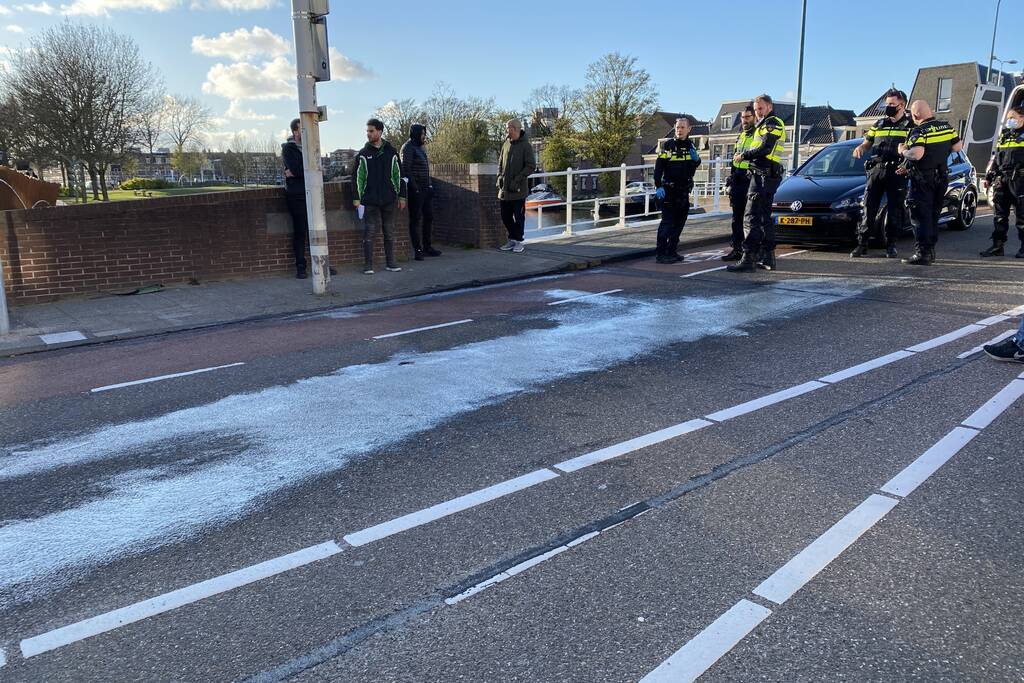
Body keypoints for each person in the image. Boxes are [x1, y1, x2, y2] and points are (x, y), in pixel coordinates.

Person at [898, 100, 962, 266]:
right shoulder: (946, 127)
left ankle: (922, 253)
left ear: (915, 115)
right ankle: (931, 250)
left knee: (920, 216)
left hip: (923, 180)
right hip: (941, 178)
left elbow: (917, 154)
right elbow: (957, 147)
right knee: (933, 215)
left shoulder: (919, 131)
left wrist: (903, 151)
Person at [727, 94, 786, 273]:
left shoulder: (773, 123)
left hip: (763, 175)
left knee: (750, 217)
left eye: (760, 108)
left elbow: (766, 148)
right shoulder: (762, 125)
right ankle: (768, 257)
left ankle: (748, 258)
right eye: (756, 109)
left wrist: (743, 155)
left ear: (769, 107)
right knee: (764, 218)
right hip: (763, 174)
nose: (758, 112)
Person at [851, 88, 912, 259]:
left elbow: (916, 149)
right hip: (876, 171)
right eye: (887, 104)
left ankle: (891, 245)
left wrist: (908, 164)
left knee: (894, 210)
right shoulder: (879, 124)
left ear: (902, 105)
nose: (889, 107)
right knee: (868, 208)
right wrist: (860, 148)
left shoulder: (911, 126)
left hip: (897, 172)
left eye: (892, 104)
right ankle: (862, 244)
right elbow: (867, 143)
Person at [282, 118, 338, 279]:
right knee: (300, 231)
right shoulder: (288, 149)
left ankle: (323, 263)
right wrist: (304, 171)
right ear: (295, 131)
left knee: (319, 230)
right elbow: (299, 169)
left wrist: (301, 171)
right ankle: (301, 267)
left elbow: (318, 169)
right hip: (297, 195)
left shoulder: (312, 147)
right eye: (302, 128)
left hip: (313, 193)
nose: (305, 132)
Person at [353, 118, 406, 274]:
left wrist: (402, 196)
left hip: (389, 199)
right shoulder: (362, 154)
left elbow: (400, 175)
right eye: (367, 131)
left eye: (371, 131)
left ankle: (391, 263)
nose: (368, 134)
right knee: (369, 232)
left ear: (380, 132)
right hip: (369, 200)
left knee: (389, 232)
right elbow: (357, 178)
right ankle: (368, 265)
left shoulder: (392, 152)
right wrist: (356, 198)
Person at [653, 117, 701, 264]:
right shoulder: (668, 145)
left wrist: (696, 160)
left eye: (682, 127)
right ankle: (661, 254)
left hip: (684, 191)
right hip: (669, 190)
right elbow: (659, 166)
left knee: (680, 223)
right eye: (677, 127)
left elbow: (693, 166)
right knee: (667, 223)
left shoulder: (691, 146)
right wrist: (658, 185)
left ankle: (672, 251)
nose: (679, 130)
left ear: (689, 129)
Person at [980, 106, 1024, 259]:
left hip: (1020, 181)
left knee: (1022, 217)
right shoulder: (1004, 136)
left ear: (1022, 118)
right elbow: (997, 158)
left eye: (1013, 117)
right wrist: (989, 176)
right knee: (999, 216)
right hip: (1002, 180)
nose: (1009, 121)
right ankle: (997, 246)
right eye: (1008, 118)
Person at [400, 123, 442, 261]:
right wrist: (415, 188)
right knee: (415, 219)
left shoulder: (420, 148)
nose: (424, 136)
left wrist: (429, 185)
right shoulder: (408, 148)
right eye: (422, 133)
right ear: (416, 133)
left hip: (425, 189)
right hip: (415, 191)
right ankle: (418, 250)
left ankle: (427, 247)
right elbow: (406, 169)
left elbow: (426, 169)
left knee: (429, 217)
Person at [722, 104, 756, 262]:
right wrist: (731, 177)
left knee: (749, 218)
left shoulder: (757, 135)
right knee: (736, 218)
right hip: (738, 180)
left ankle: (750, 251)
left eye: (748, 117)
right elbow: (734, 159)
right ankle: (736, 248)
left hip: (751, 180)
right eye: (743, 117)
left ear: (754, 117)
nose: (745, 120)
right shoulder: (741, 135)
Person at [496, 119, 536, 253]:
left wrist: (518, 179)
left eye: (507, 128)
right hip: (504, 189)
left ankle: (518, 241)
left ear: (514, 128)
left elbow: (531, 166)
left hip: (518, 189)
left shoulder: (526, 146)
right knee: (505, 216)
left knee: (519, 217)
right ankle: (513, 239)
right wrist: (499, 177)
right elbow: (500, 163)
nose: (506, 130)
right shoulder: (505, 144)